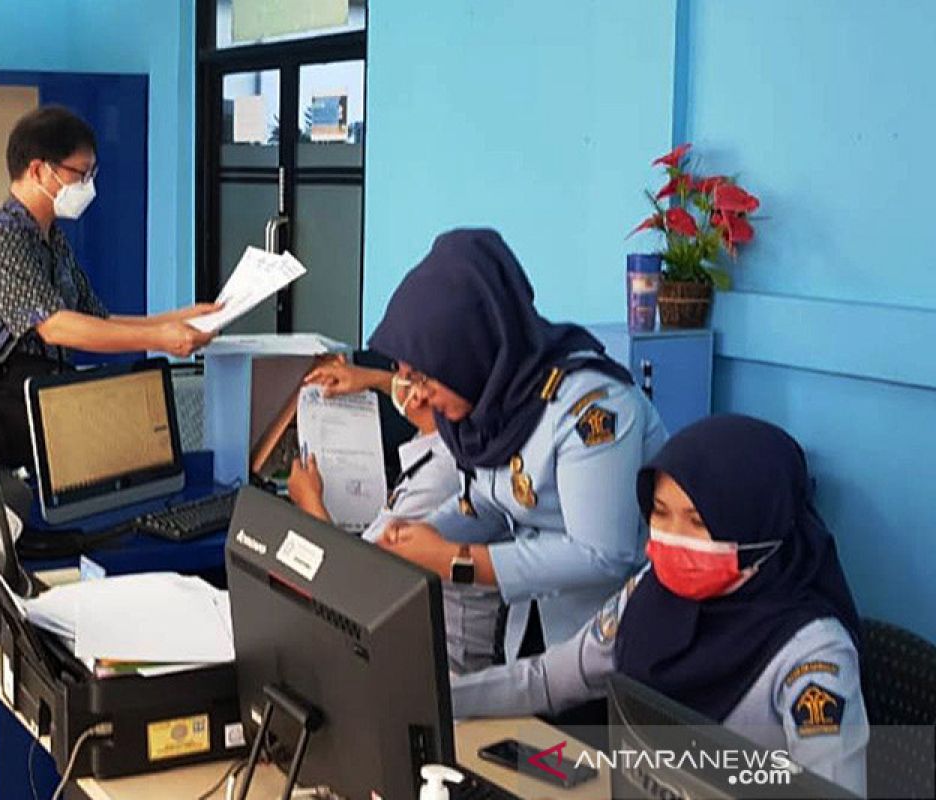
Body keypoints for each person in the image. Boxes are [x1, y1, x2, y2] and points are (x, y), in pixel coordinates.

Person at [452, 415, 868, 796]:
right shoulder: (648, 594)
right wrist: (441, 697)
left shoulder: (812, 655)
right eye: (660, 512)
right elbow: (547, 680)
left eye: (699, 522)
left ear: (757, 522)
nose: (671, 538)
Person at [366, 228, 667, 665]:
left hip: (614, 640)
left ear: (469, 351)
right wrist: (426, 534)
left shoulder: (589, 409)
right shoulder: (489, 409)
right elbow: (489, 504)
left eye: (425, 377)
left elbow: (603, 554)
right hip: (534, 633)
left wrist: (456, 561)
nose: (415, 397)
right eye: (405, 375)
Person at [287, 356, 501, 674]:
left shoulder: (442, 474)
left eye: (407, 376)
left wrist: (309, 503)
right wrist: (370, 379)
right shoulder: (453, 435)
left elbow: (351, 585)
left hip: (441, 666)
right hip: (406, 636)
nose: (400, 385)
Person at [0, 105, 215, 358]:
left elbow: (98, 321)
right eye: (80, 174)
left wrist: (182, 319)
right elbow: (54, 325)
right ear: (39, 171)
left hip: (37, 391)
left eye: (91, 175)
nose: (88, 187)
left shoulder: (53, 239)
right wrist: (159, 339)